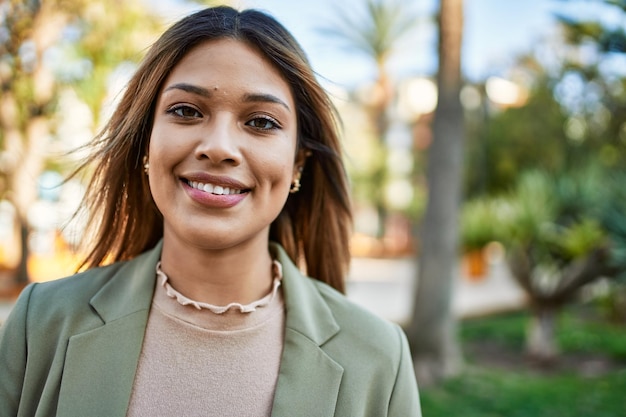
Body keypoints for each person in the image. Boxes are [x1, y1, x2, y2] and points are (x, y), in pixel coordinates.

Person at [0, 5, 421, 416]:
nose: (218, 146)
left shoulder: (379, 357)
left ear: (298, 162)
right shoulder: (41, 323)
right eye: (186, 111)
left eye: (261, 122)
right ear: (147, 142)